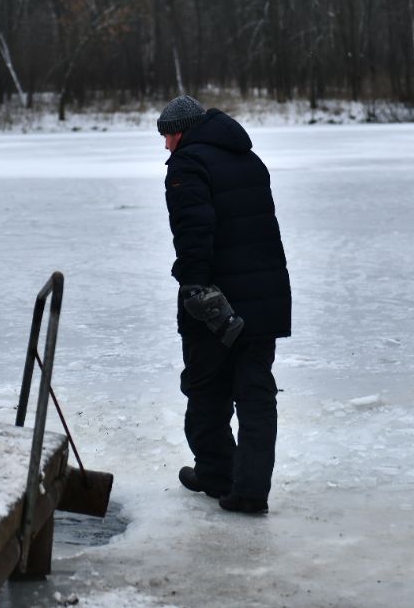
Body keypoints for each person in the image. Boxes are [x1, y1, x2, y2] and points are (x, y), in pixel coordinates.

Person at [159, 95, 291, 513]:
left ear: (183, 131)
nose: (165, 147)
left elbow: (194, 231)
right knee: (255, 392)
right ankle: (250, 489)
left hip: (217, 299)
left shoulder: (188, 165)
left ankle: (216, 473)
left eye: (168, 136)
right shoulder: (248, 159)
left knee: (205, 388)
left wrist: (194, 286)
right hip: (266, 295)